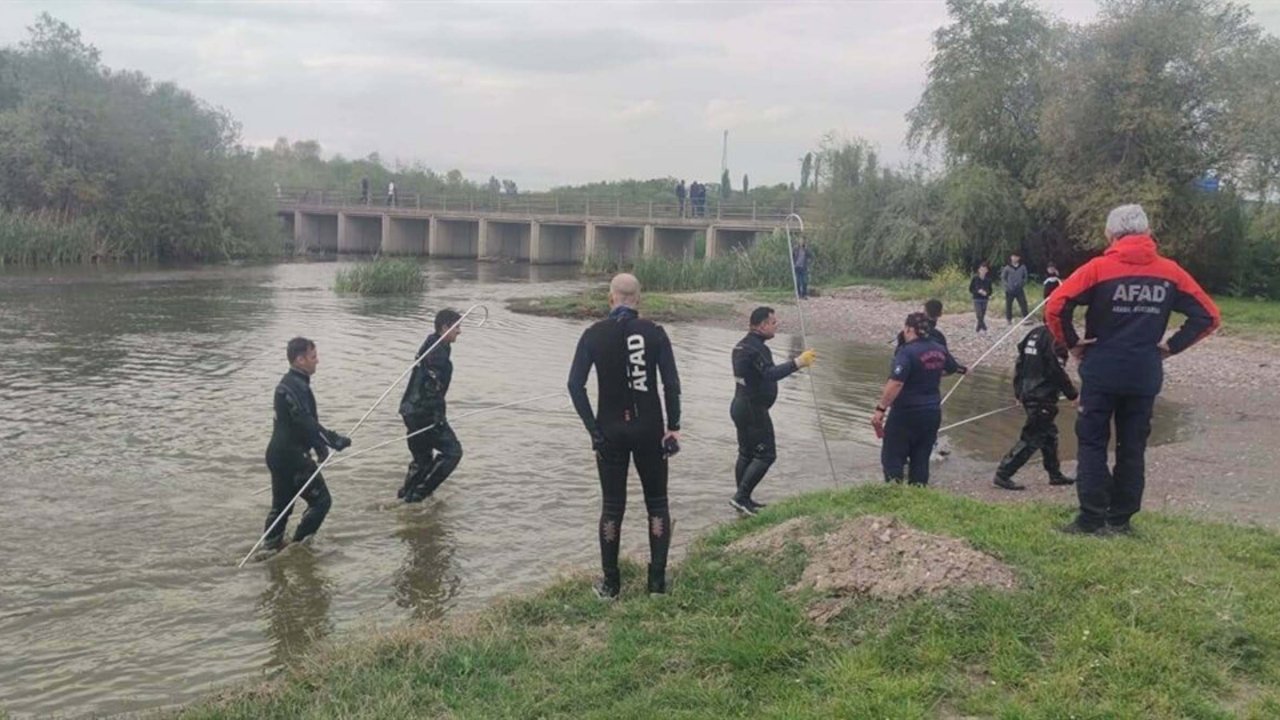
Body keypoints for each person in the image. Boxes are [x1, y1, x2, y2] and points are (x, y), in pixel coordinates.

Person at [1046, 203, 1220, 534]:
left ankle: (1091, 518)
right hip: (1144, 371)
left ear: (1111, 234)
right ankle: (1121, 520)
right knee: (1132, 446)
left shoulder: (1097, 268)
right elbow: (1208, 316)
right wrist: (1172, 346)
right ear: (1147, 234)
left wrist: (1072, 343)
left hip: (1101, 369)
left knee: (1093, 442)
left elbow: (1056, 306)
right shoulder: (1170, 272)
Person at [568, 273, 682, 599]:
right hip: (650, 431)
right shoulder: (655, 333)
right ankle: (657, 584)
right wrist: (673, 427)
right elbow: (671, 385)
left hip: (610, 432)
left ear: (611, 298)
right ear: (639, 299)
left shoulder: (593, 334)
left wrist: (593, 430)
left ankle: (610, 585)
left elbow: (575, 386)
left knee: (612, 506)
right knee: (657, 503)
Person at [262, 337, 351, 551]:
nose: (317, 361)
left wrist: (320, 449)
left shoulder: (294, 383)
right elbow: (304, 420)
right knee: (322, 501)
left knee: (281, 507)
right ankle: (298, 546)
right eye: (313, 357)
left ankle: (271, 548)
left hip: (279, 454)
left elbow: (304, 422)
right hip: (292, 457)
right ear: (300, 360)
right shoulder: (294, 386)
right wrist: (332, 439)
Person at [730, 307, 817, 515]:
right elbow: (770, 374)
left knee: (746, 454)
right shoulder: (756, 349)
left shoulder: (740, 346)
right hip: (753, 409)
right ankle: (741, 497)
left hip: (739, 405)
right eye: (773, 322)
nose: (776, 325)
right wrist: (798, 362)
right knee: (767, 455)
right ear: (762, 325)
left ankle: (743, 499)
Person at [993, 283, 1078, 491]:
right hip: (1042, 395)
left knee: (1049, 434)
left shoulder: (1032, 335)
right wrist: (1073, 395)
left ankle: (1054, 474)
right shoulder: (1054, 339)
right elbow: (1055, 371)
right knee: (1033, 437)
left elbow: (1020, 364)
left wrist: (1018, 391)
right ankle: (1004, 473)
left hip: (1030, 392)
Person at [872, 313, 966, 486]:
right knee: (921, 458)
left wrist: (881, 409)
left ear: (908, 328)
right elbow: (952, 368)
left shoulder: (906, 352)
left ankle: (892, 495)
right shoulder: (939, 348)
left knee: (892, 456)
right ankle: (918, 494)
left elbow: (896, 383)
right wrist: (931, 373)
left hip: (905, 414)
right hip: (931, 413)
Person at [398, 309, 464, 502]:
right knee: (453, 452)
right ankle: (419, 495)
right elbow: (431, 389)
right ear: (444, 327)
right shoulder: (437, 354)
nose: (459, 331)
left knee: (423, 460)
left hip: (410, 411)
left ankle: (405, 498)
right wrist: (438, 418)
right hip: (423, 413)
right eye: (456, 327)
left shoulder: (432, 343)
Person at [1001, 252, 1029, 324]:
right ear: (1011, 257)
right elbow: (1003, 278)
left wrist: (1022, 283)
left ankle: (1026, 318)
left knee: (1023, 303)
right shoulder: (1007, 267)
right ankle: (1009, 319)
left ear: (1019, 258)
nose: (1014, 258)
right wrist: (1007, 286)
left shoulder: (1022, 267)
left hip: (1019, 288)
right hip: (1010, 289)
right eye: (1013, 257)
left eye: (1016, 257)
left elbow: (1025, 276)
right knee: (1009, 305)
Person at [969, 262, 993, 333]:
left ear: (987, 271)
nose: (983, 271)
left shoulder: (988, 280)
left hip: (985, 299)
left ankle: (978, 327)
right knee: (978, 314)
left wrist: (987, 293)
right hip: (976, 298)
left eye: (984, 270)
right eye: (981, 269)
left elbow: (991, 291)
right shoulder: (975, 278)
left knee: (982, 314)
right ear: (979, 270)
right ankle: (984, 327)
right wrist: (978, 291)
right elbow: (970, 289)